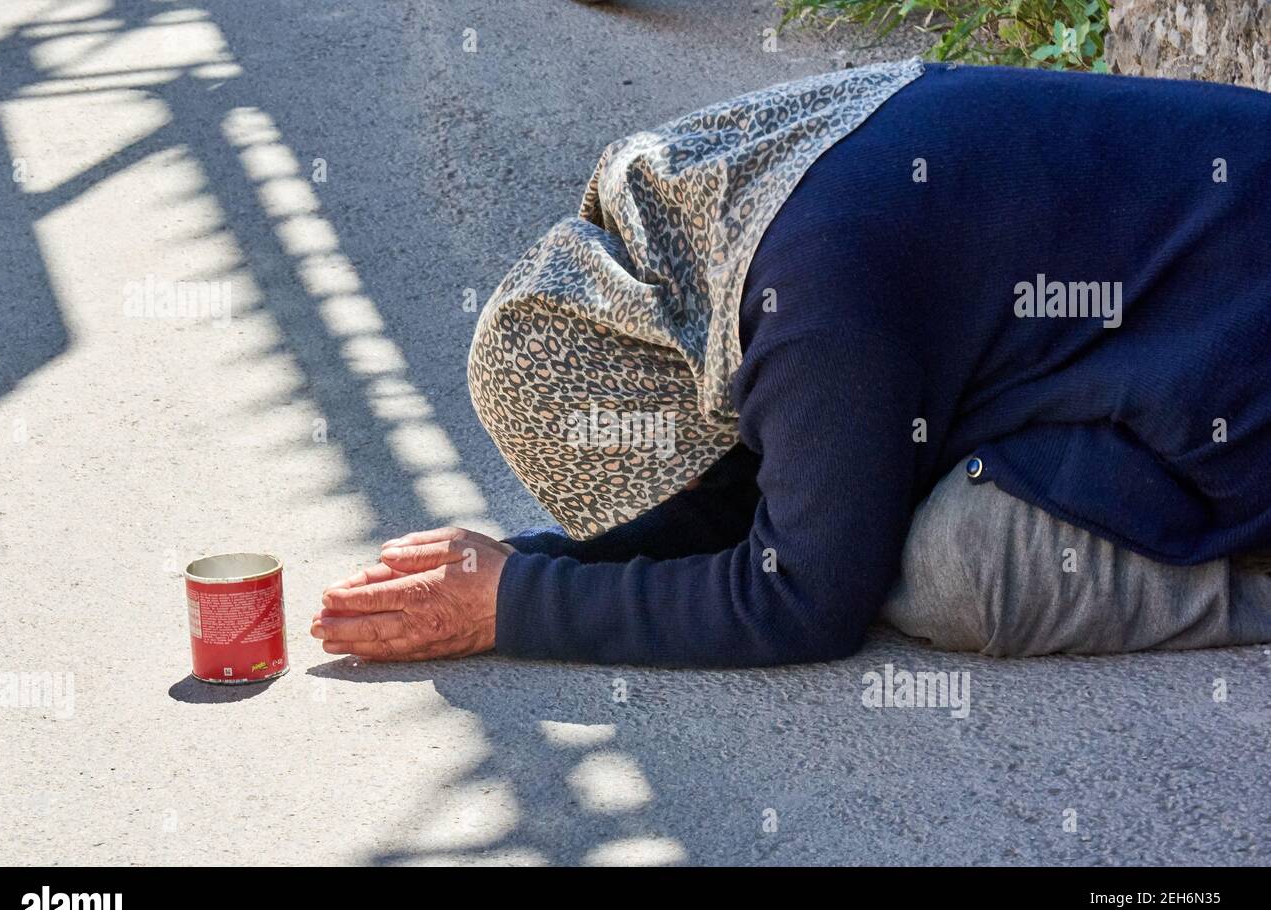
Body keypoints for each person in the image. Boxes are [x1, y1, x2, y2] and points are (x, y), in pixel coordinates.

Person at [311, 59, 1271, 666]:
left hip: (1241, 377)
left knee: (949, 565)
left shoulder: (817, 311)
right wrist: (531, 562)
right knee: (878, 501)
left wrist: (513, 607)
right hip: (1196, 300)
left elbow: (799, 598)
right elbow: (757, 478)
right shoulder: (732, 192)